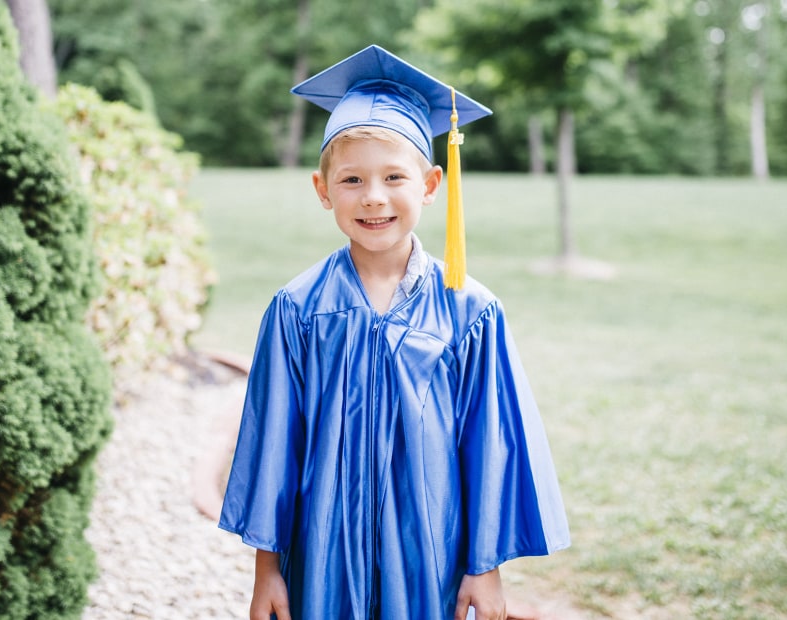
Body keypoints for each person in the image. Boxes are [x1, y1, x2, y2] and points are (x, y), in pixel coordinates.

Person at [218, 45, 570, 620]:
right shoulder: (298, 310)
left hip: (432, 554)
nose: (374, 196)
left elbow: (491, 448)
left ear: (431, 185)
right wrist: (266, 571)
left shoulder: (471, 313)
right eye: (352, 178)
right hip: (323, 556)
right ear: (322, 189)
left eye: (394, 177)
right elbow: (273, 445)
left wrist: (486, 571)